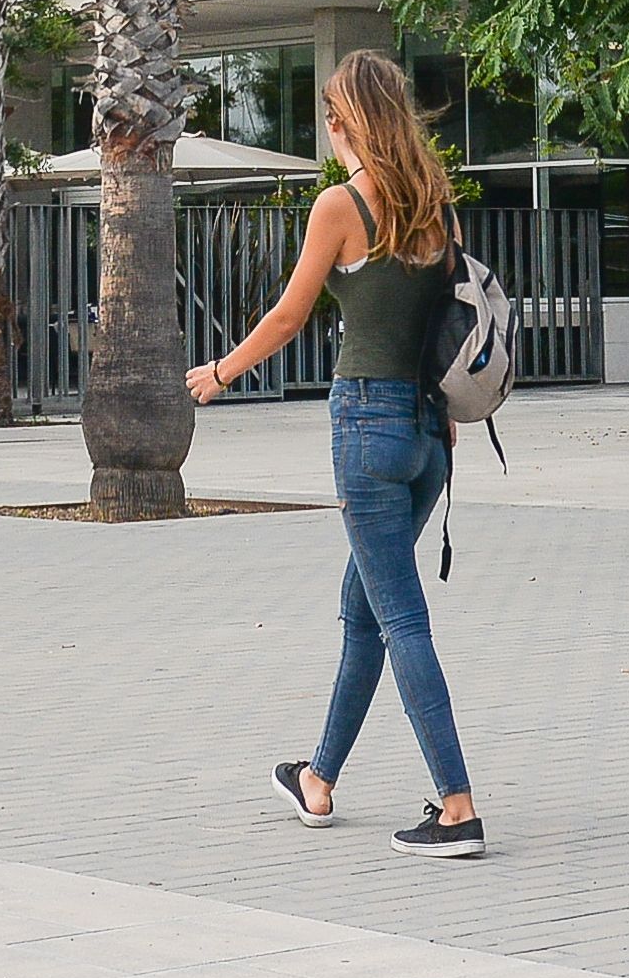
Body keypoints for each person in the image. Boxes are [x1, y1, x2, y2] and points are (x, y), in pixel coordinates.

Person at [186, 49, 486, 861]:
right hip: (430, 439)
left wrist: (219, 372)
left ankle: (457, 808)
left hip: (367, 429)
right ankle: (318, 778)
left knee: (402, 620)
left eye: (330, 112)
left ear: (348, 119)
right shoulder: (436, 207)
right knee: (365, 613)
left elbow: (288, 316)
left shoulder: (341, 206)